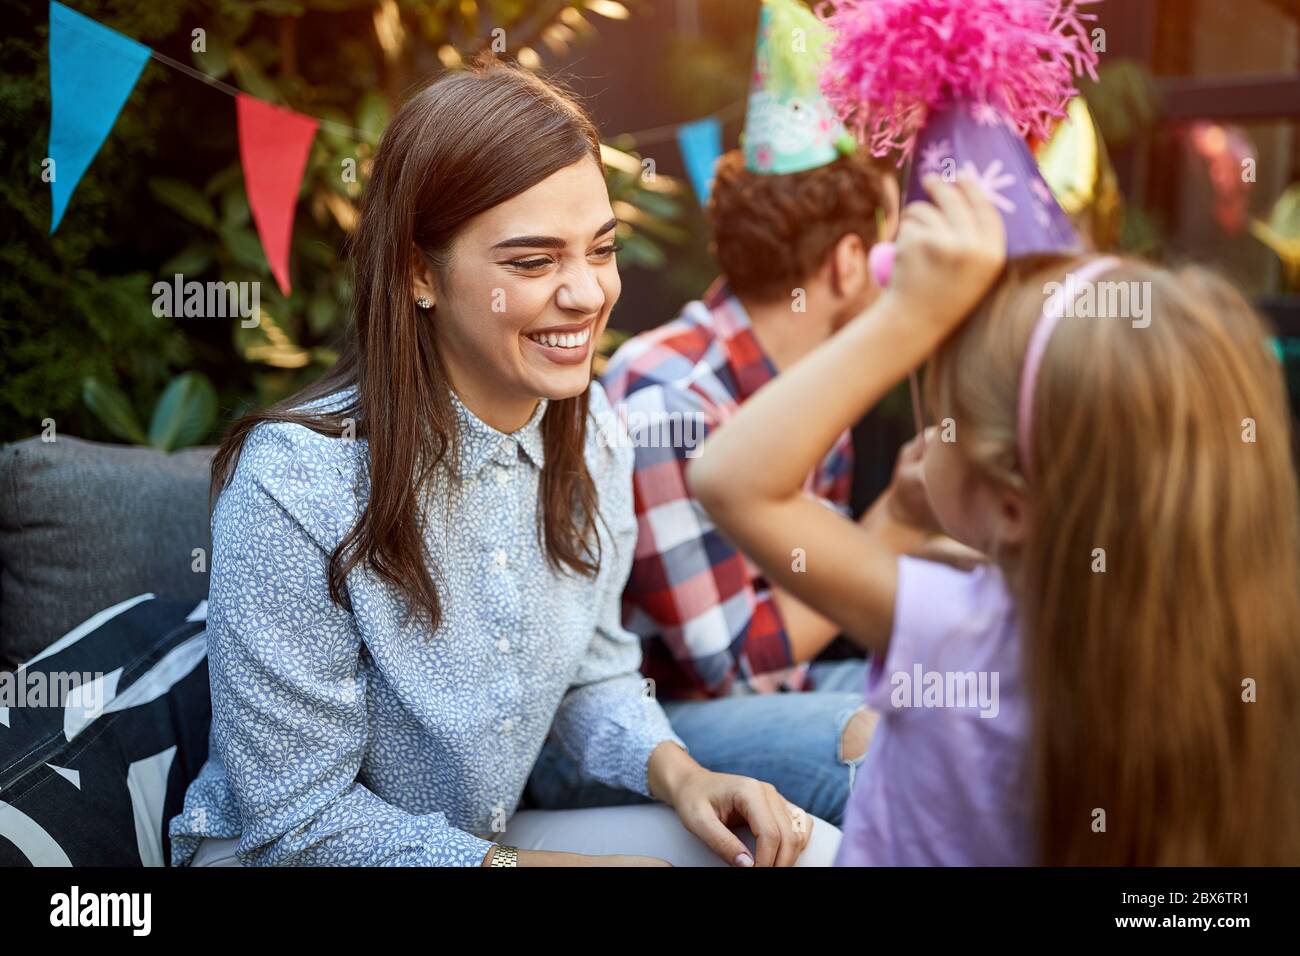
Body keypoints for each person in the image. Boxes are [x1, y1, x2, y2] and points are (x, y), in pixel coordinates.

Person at [166, 58, 840, 868]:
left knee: (802, 854)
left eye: (600, 249)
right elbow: (295, 823)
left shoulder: (593, 443)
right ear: (419, 272)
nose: (588, 294)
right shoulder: (293, 483)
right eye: (532, 262)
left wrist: (683, 776)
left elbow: (593, 679)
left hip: (483, 847)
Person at [690, 170, 1300, 865]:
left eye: (944, 418)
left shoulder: (956, 630)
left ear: (1011, 507)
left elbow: (729, 477)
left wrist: (910, 318)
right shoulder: (1238, 642)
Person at [526, 0, 898, 829]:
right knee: (882, 749)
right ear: (844, 264)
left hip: (753, 695)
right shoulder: (671, 403)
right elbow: (733, 672)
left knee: (982, 707)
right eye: (881, 248)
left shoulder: (814, 389)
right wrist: (895, 524)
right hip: (631, 727)